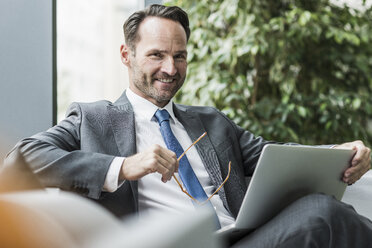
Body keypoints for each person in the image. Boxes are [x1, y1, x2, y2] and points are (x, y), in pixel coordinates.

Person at [6, 4, 372, 247]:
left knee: (322, 207)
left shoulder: (211, 121)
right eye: (156, 55)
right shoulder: (94, 118)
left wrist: (338, 154)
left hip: (240, 239)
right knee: (322, 215)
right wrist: (123, 166)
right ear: (126, 55)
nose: (170, 68)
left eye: (179, 56)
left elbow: (273, 156)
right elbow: (20, 159)